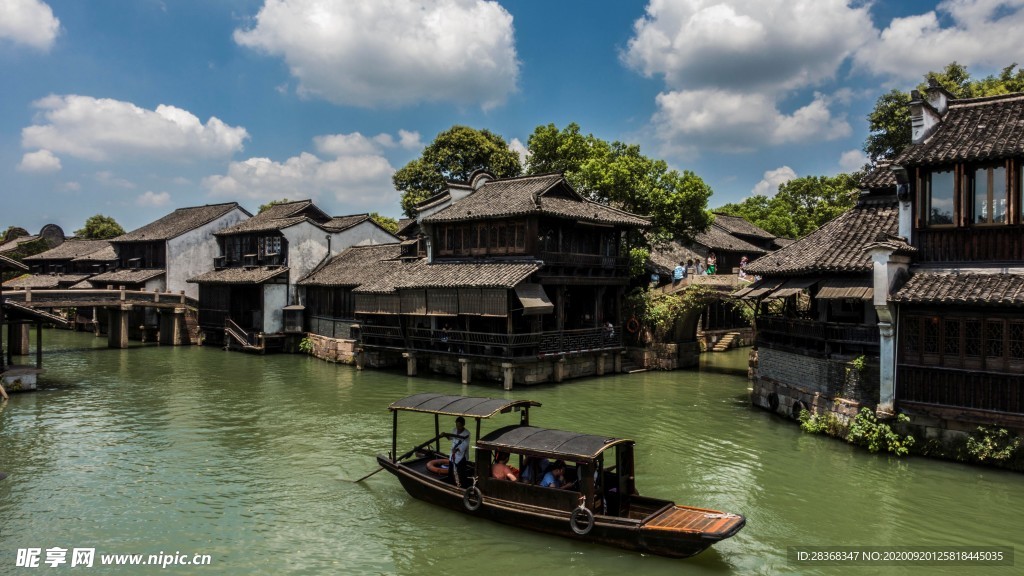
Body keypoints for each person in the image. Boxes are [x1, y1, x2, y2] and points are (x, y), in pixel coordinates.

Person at [443, 416, 471, 486]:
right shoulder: (454, 430)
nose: (458, 428)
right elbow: (450, 438)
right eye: (457, 425)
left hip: (461, 457)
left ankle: (461, 486)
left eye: (460, 426)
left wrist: (457, 449)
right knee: (451, 472)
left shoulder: (467, 433)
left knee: (461, 473)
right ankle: (451, 484)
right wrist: (445, 435)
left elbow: (465, 445)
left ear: (463, 425)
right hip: (453, 455)